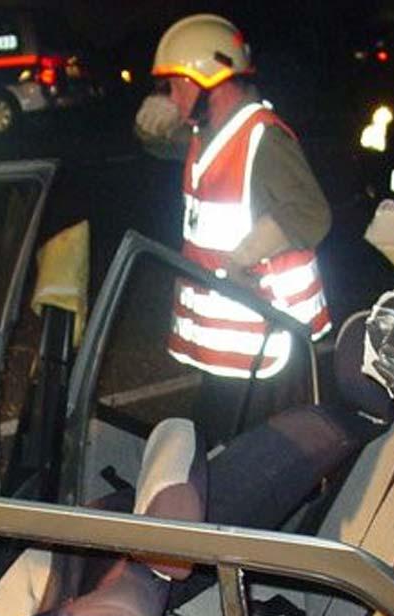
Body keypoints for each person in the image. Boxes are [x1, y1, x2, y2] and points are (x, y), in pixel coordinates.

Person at [135, 14, 332, 438]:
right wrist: (149, 127)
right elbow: (161, 144)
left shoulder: (263, 139)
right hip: (232, 342)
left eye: (175, 85)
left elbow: (311, 212)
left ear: (210, 80)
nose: (170, 96)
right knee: (215, 443)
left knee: (256, 452)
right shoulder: (208, 131)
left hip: (266, 337)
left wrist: (244, 255)